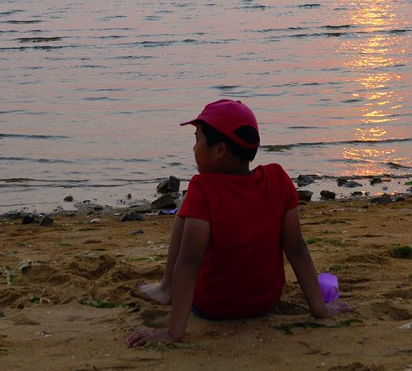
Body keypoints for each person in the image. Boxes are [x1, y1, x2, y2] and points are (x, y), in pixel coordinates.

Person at [127, 99, 351, 346]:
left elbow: (189, 263)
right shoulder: (277, 180)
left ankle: (167, 289)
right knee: (193, 207)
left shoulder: (202, 189)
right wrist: (320, 309)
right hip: (265, 303)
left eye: (197, 140)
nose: (193, 148)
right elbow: (297, 249)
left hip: (213, 306)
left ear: (220, 150)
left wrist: (173, 334)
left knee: (187, 207)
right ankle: (167, 288)